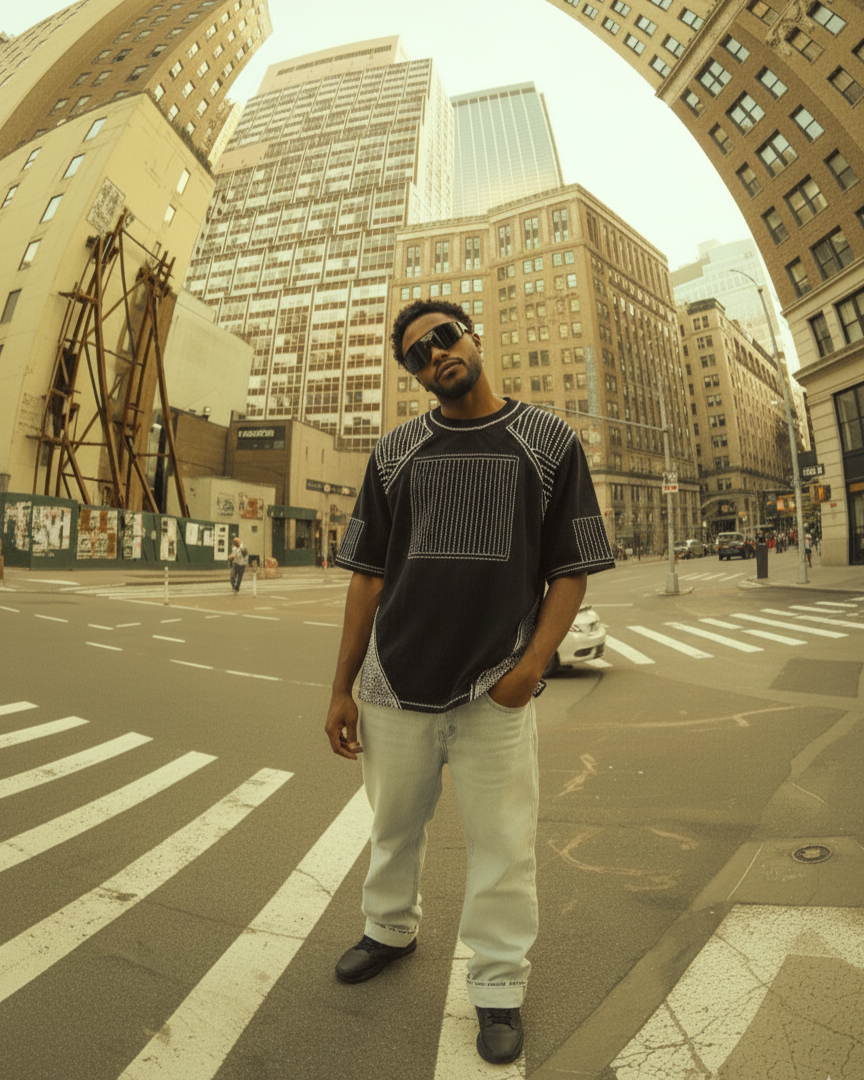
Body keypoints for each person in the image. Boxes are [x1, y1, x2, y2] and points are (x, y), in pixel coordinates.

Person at [325, 299, 615, 1065]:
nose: (435, 356)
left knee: (503, 848)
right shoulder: (395, 454)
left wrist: (528, 669)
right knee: (392, 830)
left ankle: (496, 988)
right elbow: (365, 578)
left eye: (444, 338)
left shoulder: (548, 440)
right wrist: (340, 687)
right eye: (417, 356)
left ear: (474, 336)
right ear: (416, 376)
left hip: (494, 689)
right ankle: (388, 931)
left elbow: (571, 568)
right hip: (394, 687)